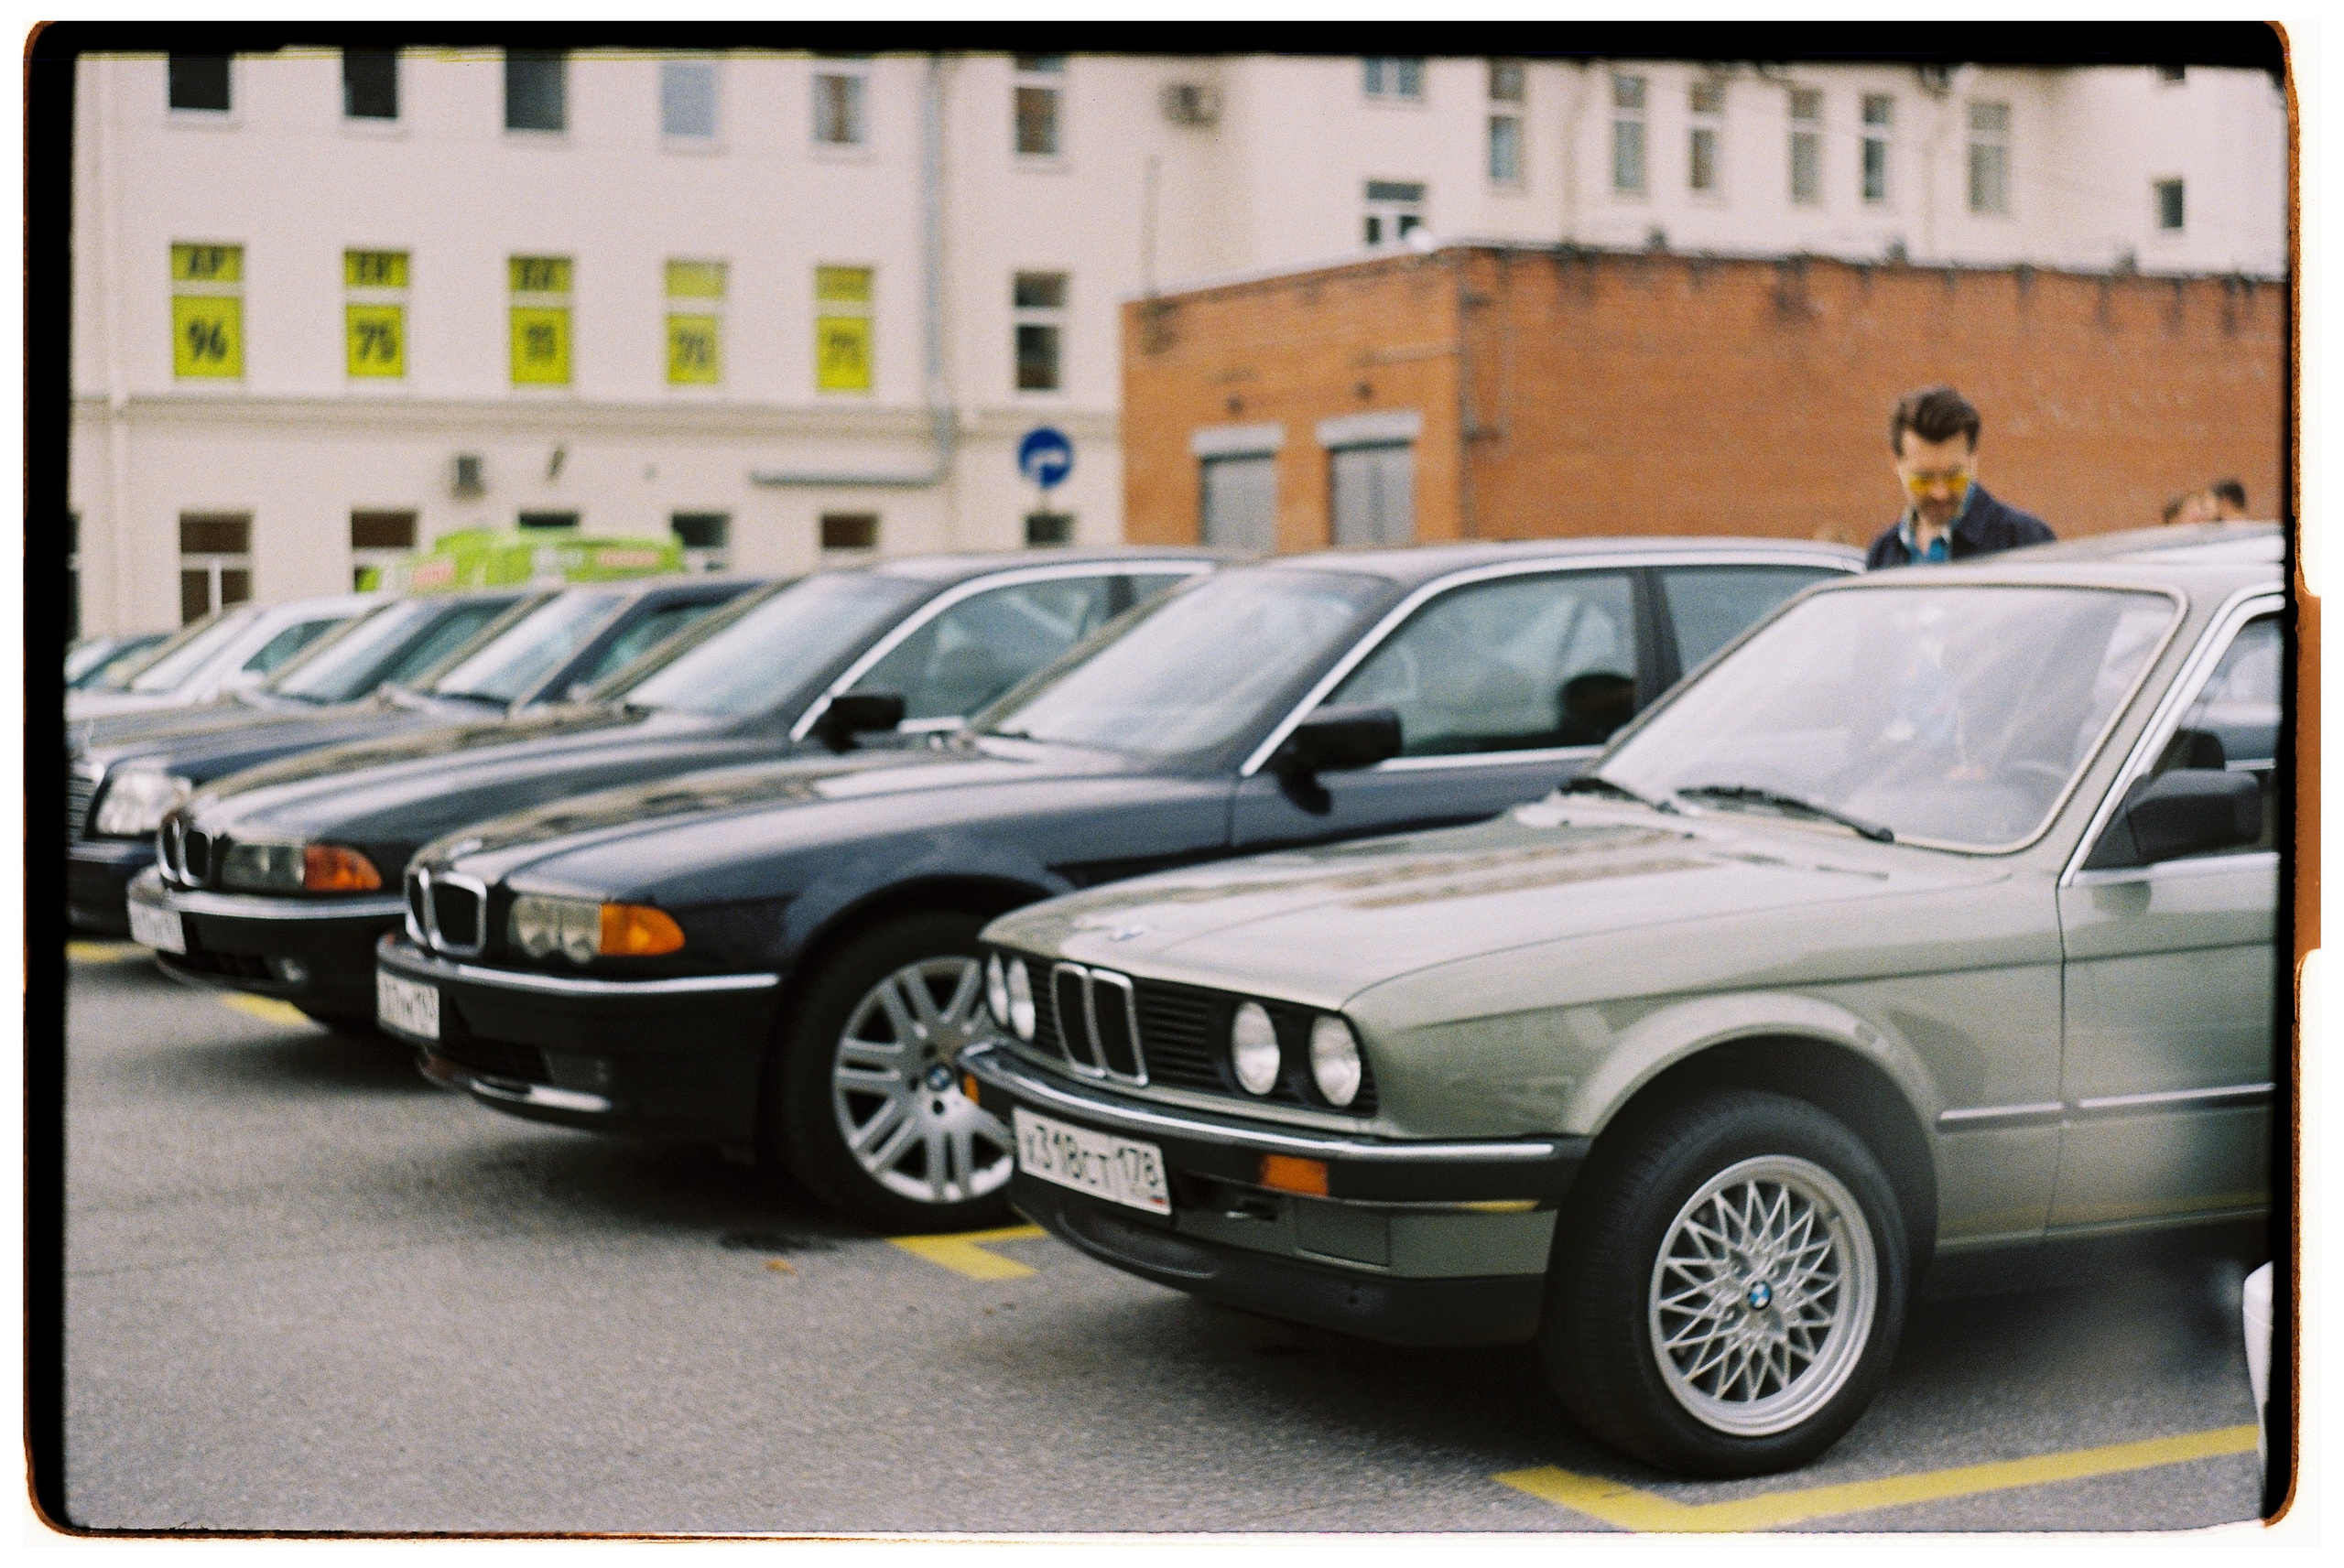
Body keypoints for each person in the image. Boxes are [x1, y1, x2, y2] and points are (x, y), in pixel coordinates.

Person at [1864, 385, 2055, 569]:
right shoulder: (1882, 553)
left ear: (1973, 460)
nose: (1940, 493)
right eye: (1923, 479)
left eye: (1954, 476)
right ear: (1895, 463)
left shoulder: (2025, 540)